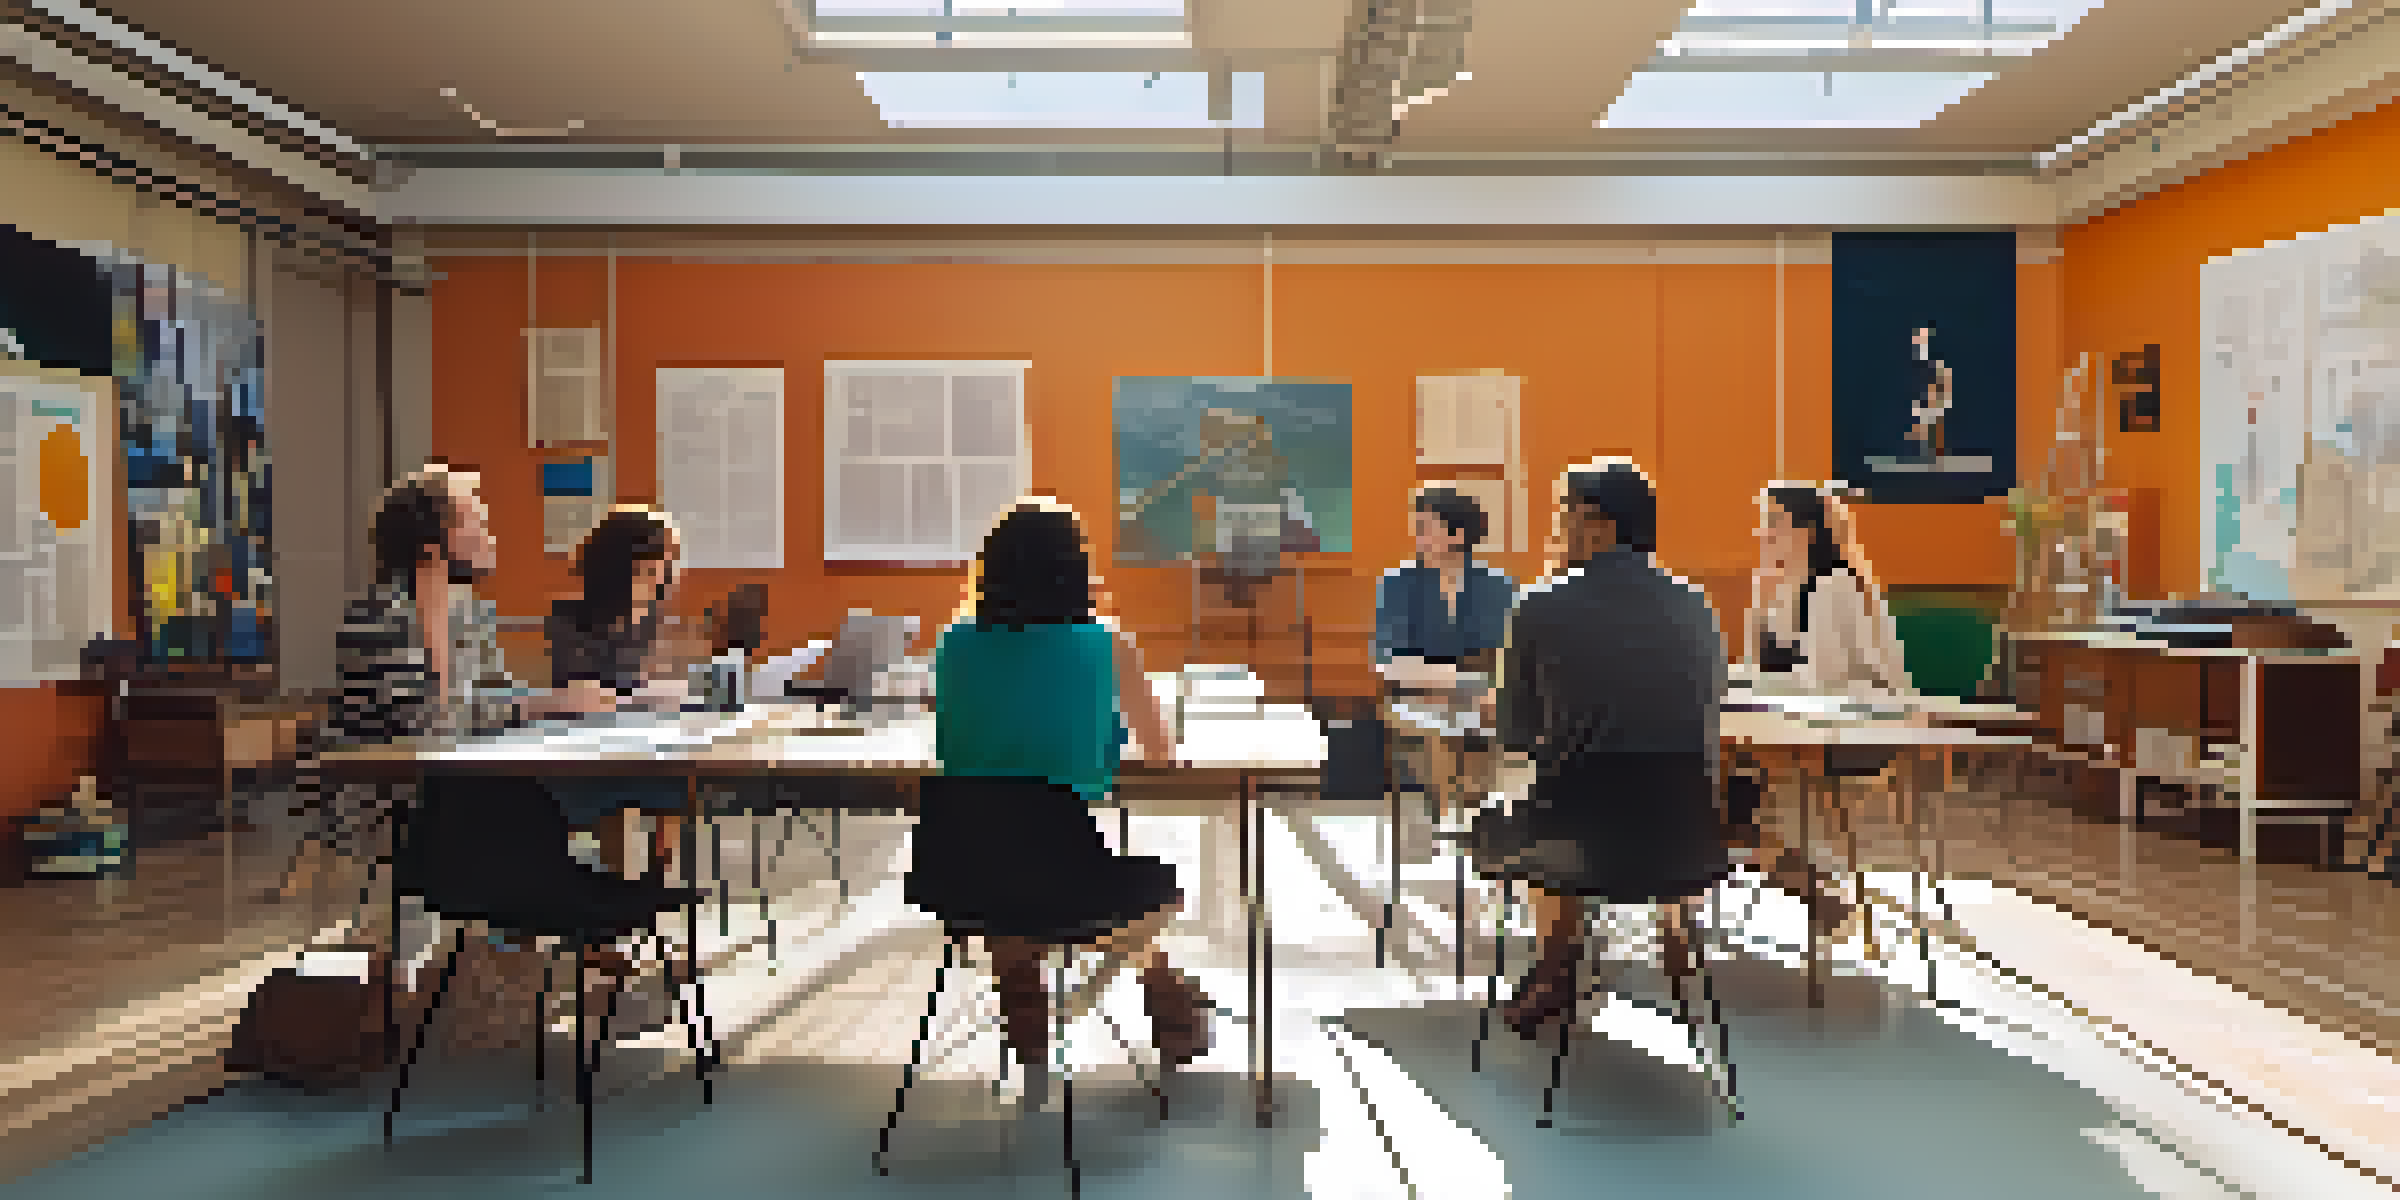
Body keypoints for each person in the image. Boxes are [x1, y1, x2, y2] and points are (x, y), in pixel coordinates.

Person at [903, 498, 1213, 1077]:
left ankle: (1023, 996)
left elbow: (952, 749)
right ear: (1075, 566)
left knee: (1009, 871)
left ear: (988, 568)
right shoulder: (1106, 644)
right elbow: (1162, 754)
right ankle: (1165, 992)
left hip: (959, 871)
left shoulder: (953, 643)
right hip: (1066, 873)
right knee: (1139, 887)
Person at [1470, 460, 1730, 1039]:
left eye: (1565, 515)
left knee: (1515, 812)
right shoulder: (1697, 604)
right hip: (1685, 836)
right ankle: (1679, 966)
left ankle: (1557, 965)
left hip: (1575, 836)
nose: (1558, 528)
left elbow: (1515, 735)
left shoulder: (1540, 604)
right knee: (1598, 800)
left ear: (1596, 524)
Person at [276, 464, 617, 902]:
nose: (491, 537)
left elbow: (499, 696)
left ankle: (554, 929)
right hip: (384, 798)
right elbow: (423, 725)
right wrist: (542, 704)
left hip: (457, 782)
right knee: (532, 809)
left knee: (561, 801)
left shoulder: (471, 613)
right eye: (476, 522)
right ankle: (534, 925)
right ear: (432, 543)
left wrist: (566, 704)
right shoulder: (379, 615)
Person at [1726, 482, 1915, 936]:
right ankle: (1795, 877)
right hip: (1802, 731)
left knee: (1721, 782)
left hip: (1855, 736)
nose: (1763, 533)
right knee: (1720, 786)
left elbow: (1821, 686)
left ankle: (1792, 876)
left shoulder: (1832, 586)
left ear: (1807, 532)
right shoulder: (1780, 588)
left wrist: (1739, 682)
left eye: (1774, 522)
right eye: (1763, 523)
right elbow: (1761, 670)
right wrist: (1760, 606)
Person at [545, 506, 698, 880]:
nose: (660, 575)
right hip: (585, 748)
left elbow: (645, 680)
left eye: (666, 565)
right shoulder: (568, 617)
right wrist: (639, 695)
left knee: (681, 777)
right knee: (616, 789)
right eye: (650, 566)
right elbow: (581, 691)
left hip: (642, 739)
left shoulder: (651, 617)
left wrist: (665, 690)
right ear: (620, 563)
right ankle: (616, 893)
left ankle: (655, 885)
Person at [1374, 488, 1518, 825]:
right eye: (1417, 526)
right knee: (1440, 720)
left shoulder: (1496, 585)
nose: (1417, 536)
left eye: (1426, 527)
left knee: (1477, 716)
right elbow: (1391, 660)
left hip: (1479, 696)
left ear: (1457, 534)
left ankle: (1473, 811)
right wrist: (1457, 681)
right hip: (1417, 693)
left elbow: (1502, 654)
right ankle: (1447, 815)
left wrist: (1477, 687)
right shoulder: (1398, 582)